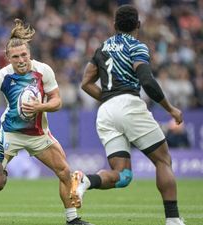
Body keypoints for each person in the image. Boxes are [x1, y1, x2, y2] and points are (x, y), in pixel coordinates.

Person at [0, 19, 92, 225]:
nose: (21, 60)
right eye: (16, 56)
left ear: (29, 54)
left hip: (38, 135)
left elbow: (57, 102)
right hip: (10, 134)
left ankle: (72, 220)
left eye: (24, 55)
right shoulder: (3, 76)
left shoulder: (43, 70)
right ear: (8, 58)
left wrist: (40, 107)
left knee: (64, 171)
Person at [78, 4, 185, 225]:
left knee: (123, 175)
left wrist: (109, 98)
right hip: (129, 104)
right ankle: (173, 219)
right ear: (138, 25)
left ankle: (85, 181)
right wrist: (170, 109)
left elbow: (85, 83)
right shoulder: (137, 47)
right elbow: (147, 81)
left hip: (106, 111)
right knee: (163, 160)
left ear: (114, 24)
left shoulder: (102, 48)